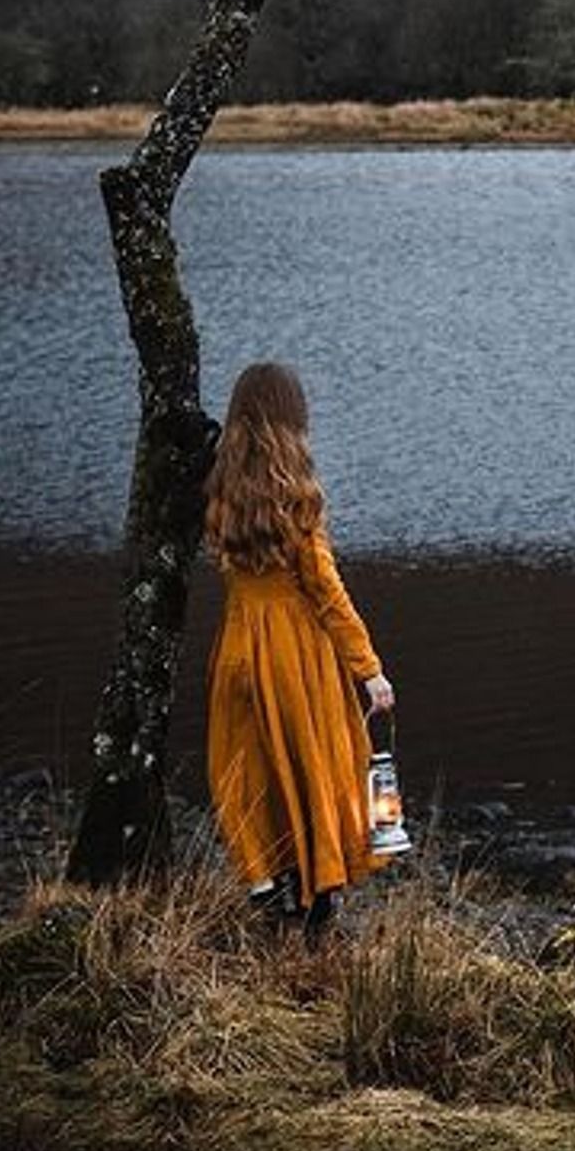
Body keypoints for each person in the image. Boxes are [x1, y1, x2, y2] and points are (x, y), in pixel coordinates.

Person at [204, 361, 395, 941]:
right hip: (296, 655)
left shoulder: (218, 488)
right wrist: (369, 670)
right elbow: (327, 592)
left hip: (238, 650)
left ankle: (267, 881)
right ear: (293, 419)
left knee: (248, 771)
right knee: (317, 769)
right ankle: (317, 904)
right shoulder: (298, 498)